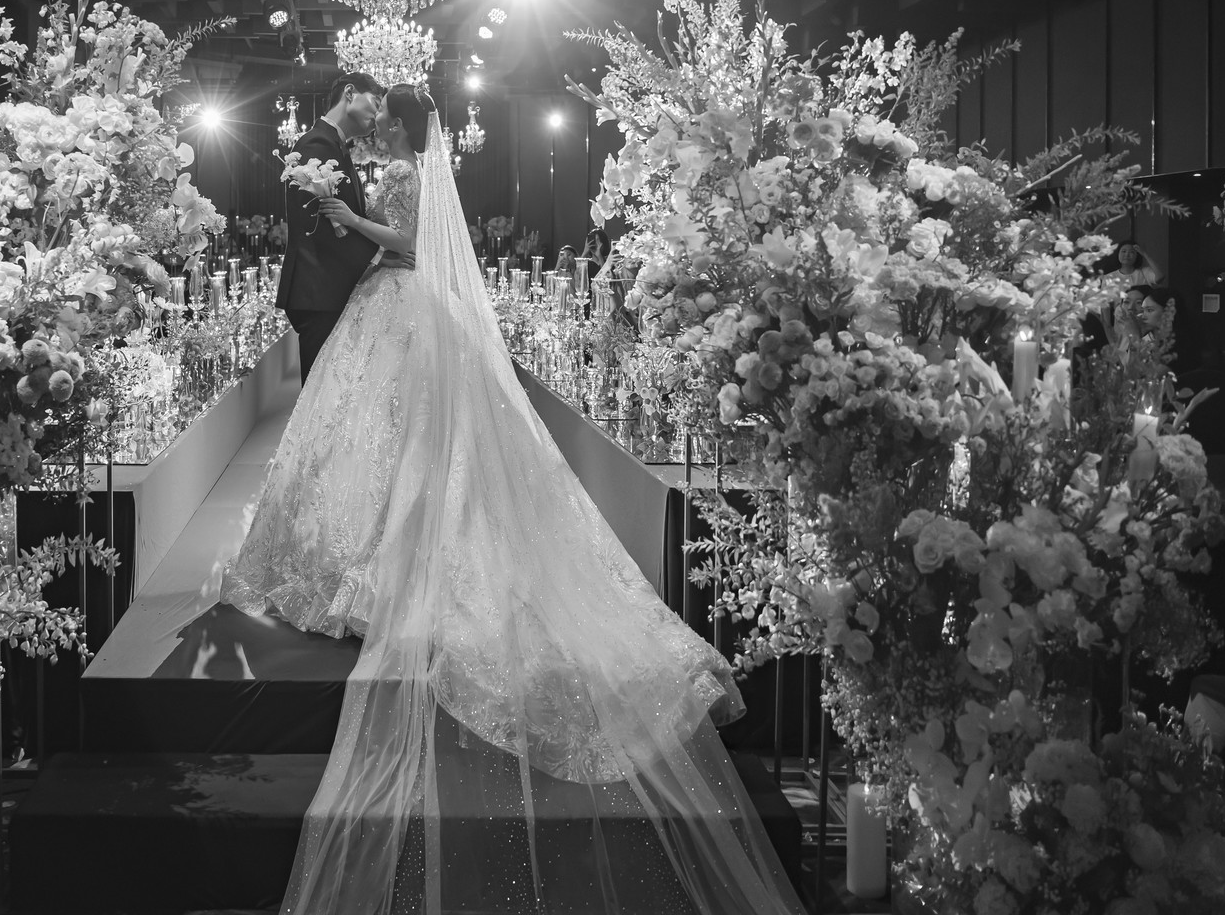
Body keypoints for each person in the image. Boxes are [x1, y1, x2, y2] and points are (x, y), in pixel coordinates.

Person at [220, 87, 801, 915]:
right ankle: (374, 539)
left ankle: (386, 548)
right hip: (392, 304)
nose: (379, 126)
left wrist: (350, 222)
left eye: (386, 117)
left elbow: (414, 244)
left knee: (401, 434)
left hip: (400, 294)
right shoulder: (411, 164)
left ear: (402, 122)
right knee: (385, 434)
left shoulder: (407, 171)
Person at [275, 72, 386, 381]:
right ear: (350, 93)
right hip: (319, 289)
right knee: (319, 397)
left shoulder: (335, 145)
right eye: (376, 103)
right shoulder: (317, 144)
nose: (378, 115)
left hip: (329, 288)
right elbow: (318, 228)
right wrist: (381, 258)